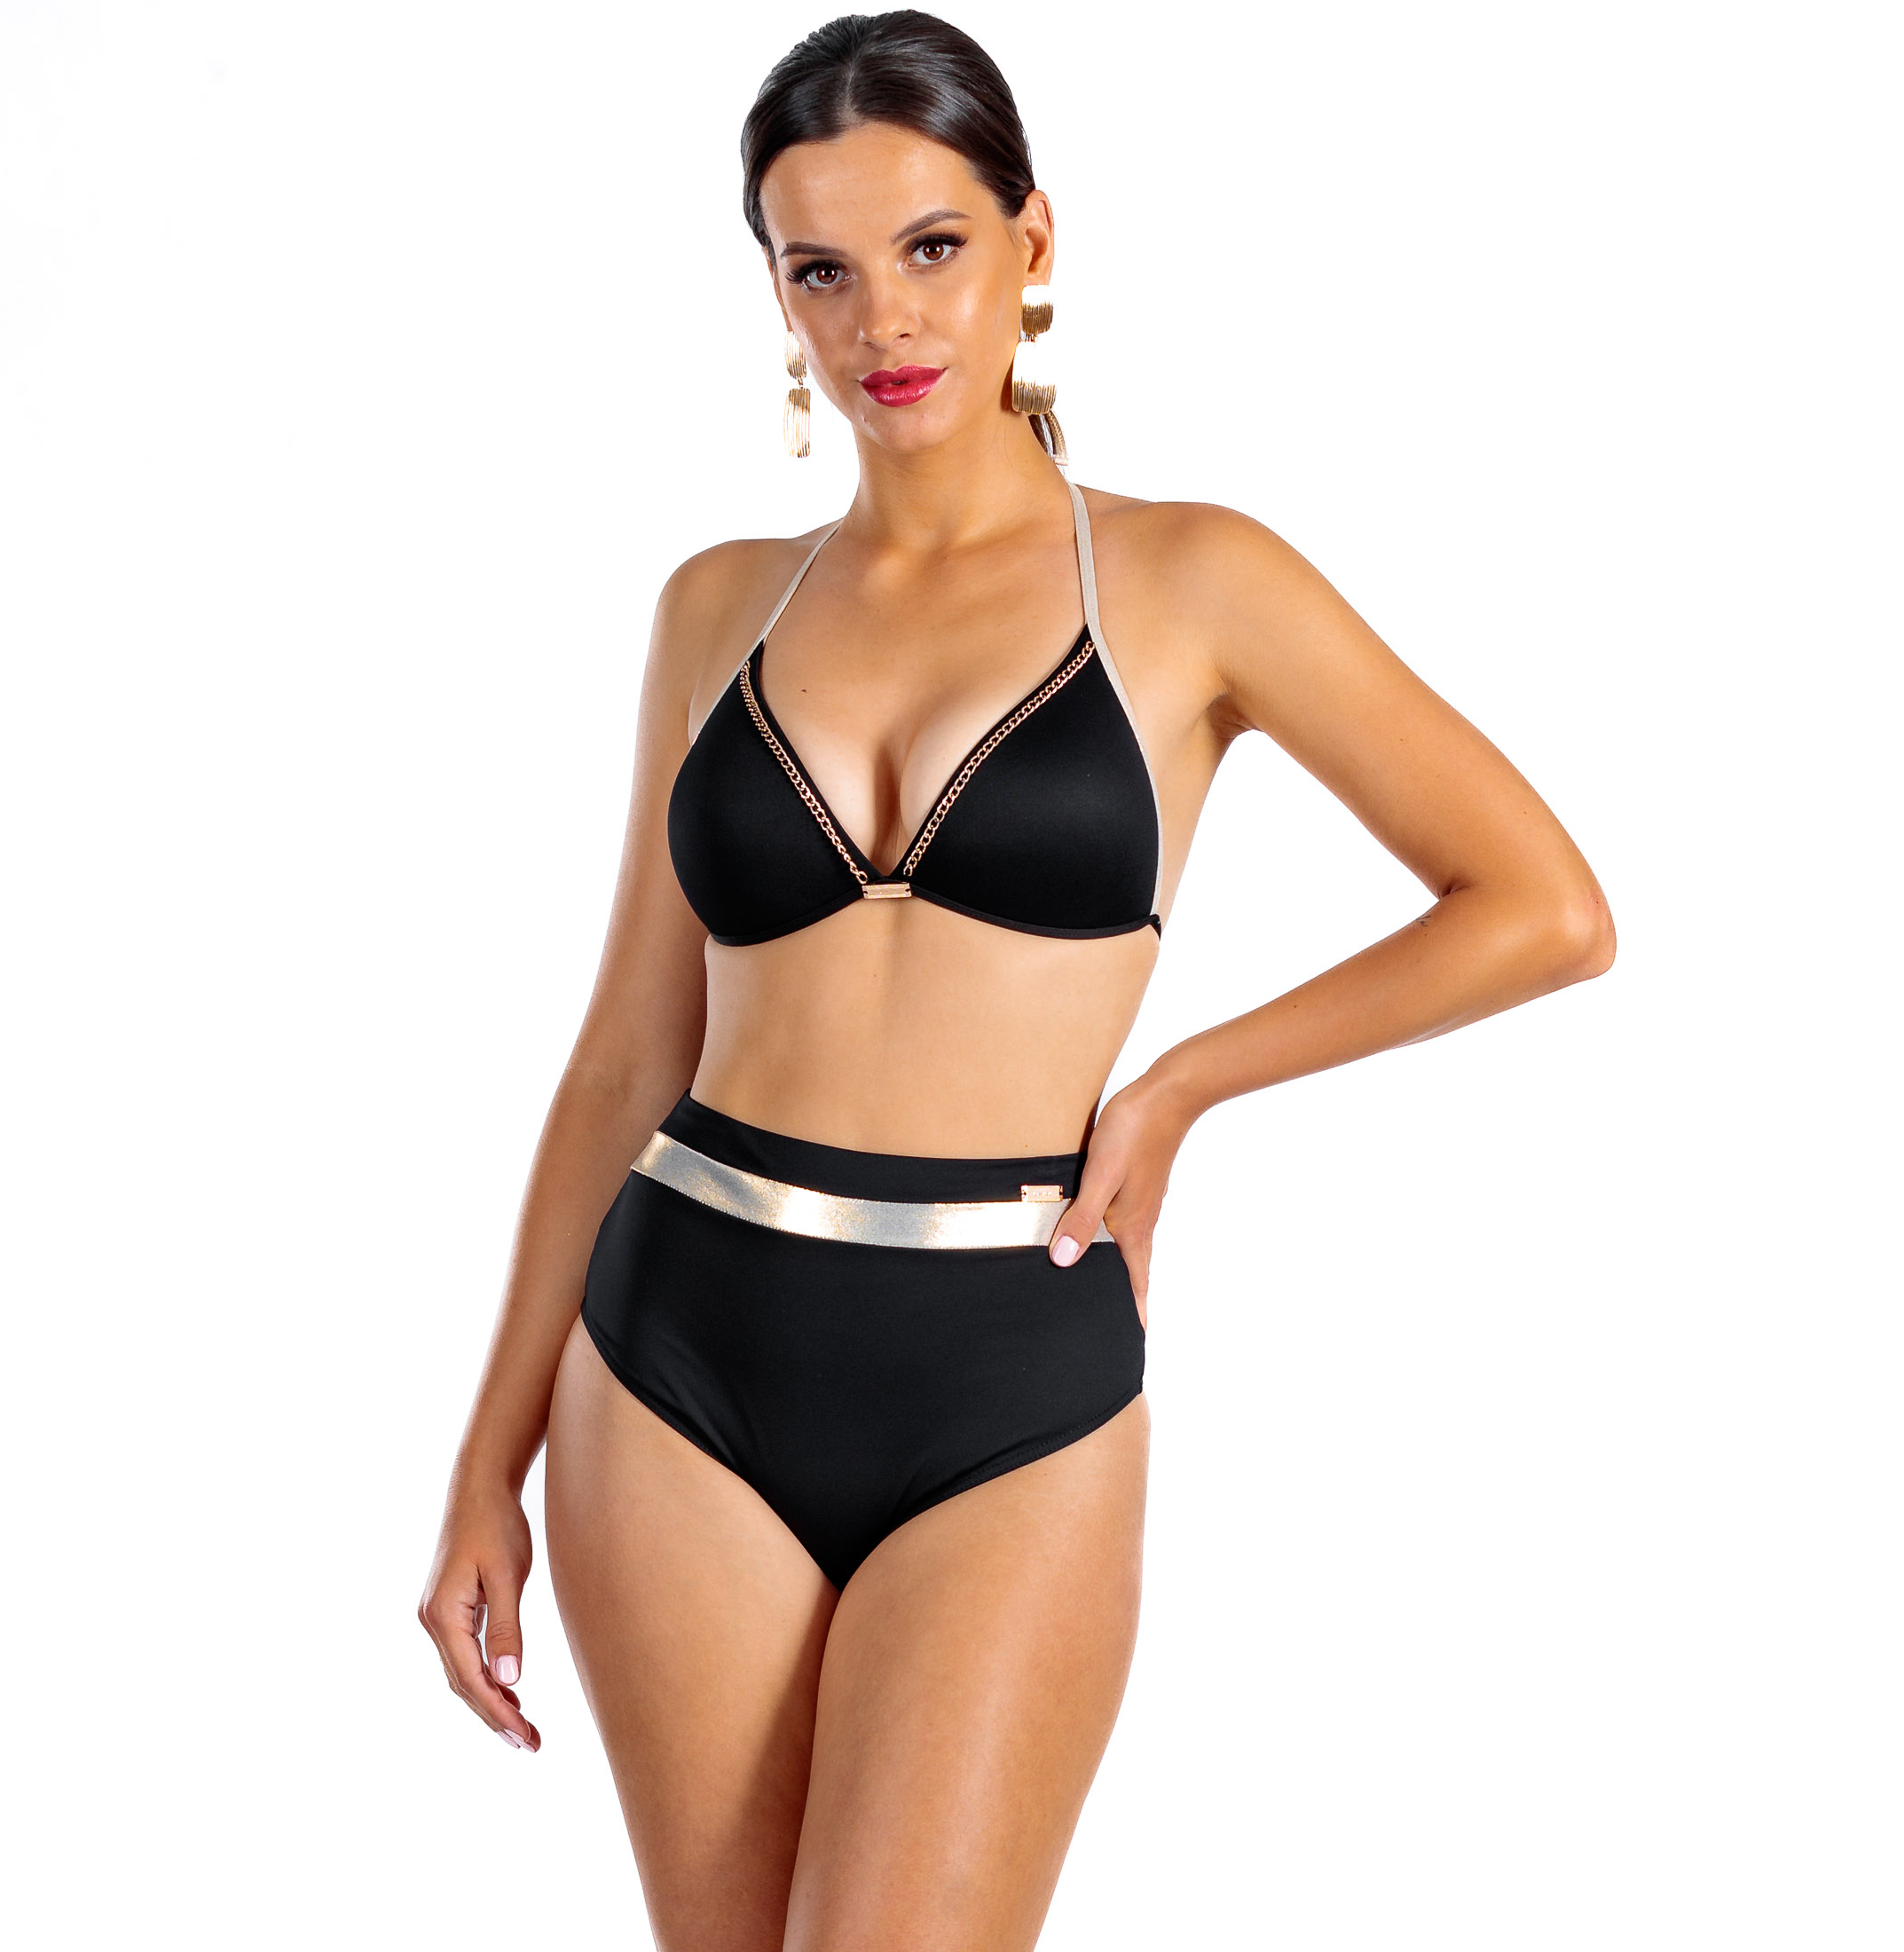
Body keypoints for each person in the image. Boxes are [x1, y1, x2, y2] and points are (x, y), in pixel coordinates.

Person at [418, 12, 1615, 1947]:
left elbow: (1541, 905)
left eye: (932, 246)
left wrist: (1180, 1084)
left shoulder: (1195, 580)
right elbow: (625, 1055)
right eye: (819, 267)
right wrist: (489, 1461)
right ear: (774, 292)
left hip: (1008, 1365)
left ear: (1031, 242)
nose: (881, 317)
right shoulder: (717, 605)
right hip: (673, 1354)